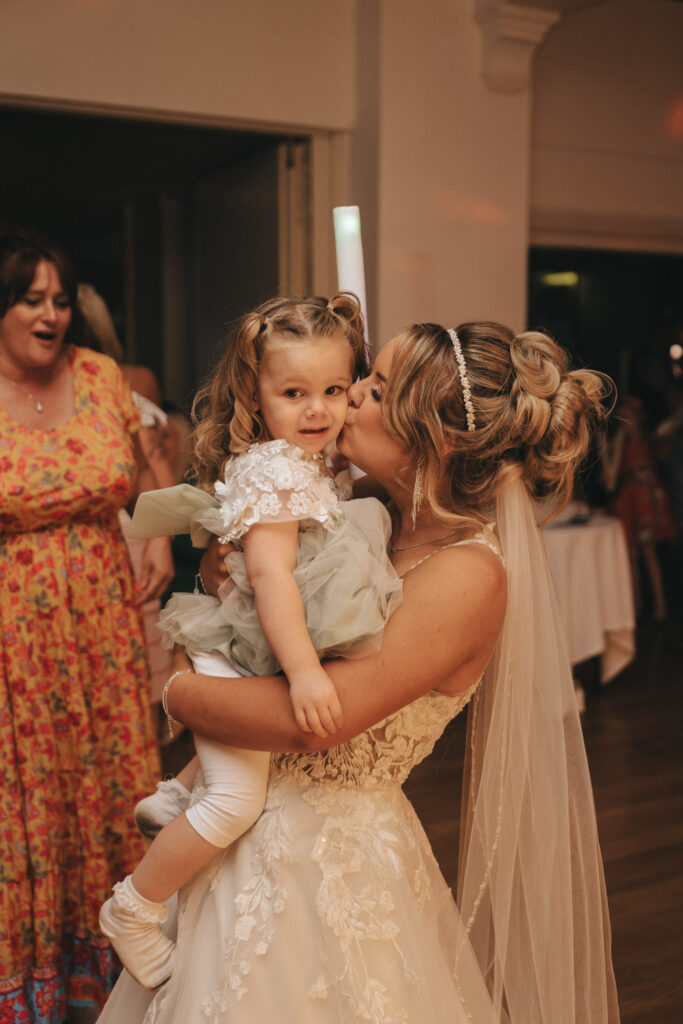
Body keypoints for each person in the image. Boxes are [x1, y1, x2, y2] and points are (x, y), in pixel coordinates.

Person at [98, 317, 619, 1023]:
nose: (345, 402)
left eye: (370, 389)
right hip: (243, 833)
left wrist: (177, 688)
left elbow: (312, 721)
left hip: (328, 865)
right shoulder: (364, 514)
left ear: (430, 440)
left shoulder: (468, 574)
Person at [99, 294, 402, 989]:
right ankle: (135, 906)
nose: (317, 410)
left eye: (333, 390)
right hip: (238, 649)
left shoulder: (307, 459)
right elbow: (270, 579)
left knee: (235, 774)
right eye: (293, 393)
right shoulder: (275, 471)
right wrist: (303, 674)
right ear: (255, 395)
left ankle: (178, 791)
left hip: (247, 642)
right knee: (237, 803)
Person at [0, 226, 174, 1024]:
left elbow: (148, 476)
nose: (51, 315)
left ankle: (118, 971)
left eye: (61, 299)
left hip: (103, 627)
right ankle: (32, 981)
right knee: (25, 797)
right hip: (13, 640)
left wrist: (161, 534)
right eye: (31, 299)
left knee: (109, 785)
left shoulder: (103, 376)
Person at [603, 395, 675, 621]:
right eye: (622, 416)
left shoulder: (647, 440)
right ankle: (635, 607)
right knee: (631, 556)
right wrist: (609, 447)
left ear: (638, 418)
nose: (625, 421)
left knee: (648, 553)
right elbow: (612, 477)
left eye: (629, 416)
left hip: (644, 501)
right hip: (629, 501)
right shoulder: (622, 440)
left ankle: (659, 606)